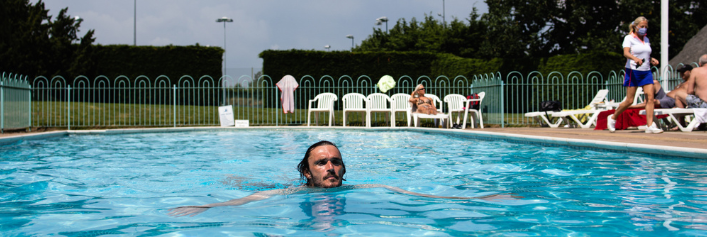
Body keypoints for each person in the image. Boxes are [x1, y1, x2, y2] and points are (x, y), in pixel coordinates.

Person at [169, 140, 513, 216]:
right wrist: (204, 206)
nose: (330, 167)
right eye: (321, 163)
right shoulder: (292, 192)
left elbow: (418, 197)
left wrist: (477, 200)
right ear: (307, 172)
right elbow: (250, 201)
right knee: (259, 188)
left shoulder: (368, 187)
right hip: (281, 190)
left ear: (344, 169)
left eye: (335, 162)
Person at [607, 17, 662, 133]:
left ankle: (650, 125)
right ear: (635, 26)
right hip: (633, 71)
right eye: (642, 26)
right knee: (630, 100)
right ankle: (613, 117)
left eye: (646, 26)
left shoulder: (646, 39)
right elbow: (626, 53)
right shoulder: (629, 38)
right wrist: (635, 58)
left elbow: (645, 53)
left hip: (646, 71)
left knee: (650, 98)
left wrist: (651, 59)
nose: (644, 29)